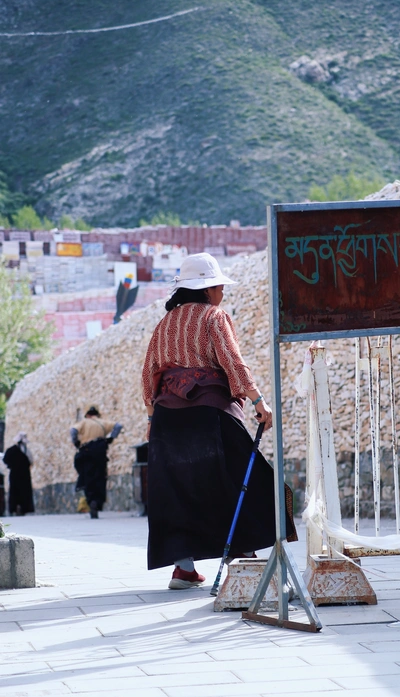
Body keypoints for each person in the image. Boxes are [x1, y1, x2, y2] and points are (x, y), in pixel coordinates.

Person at [141, 252, 296, 590]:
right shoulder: (214, 316)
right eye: (219, 286)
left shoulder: (164, 325)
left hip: (167, 418)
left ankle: (183, 569)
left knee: (179, 489)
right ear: (207, 289)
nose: (222, 291)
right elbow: (232, 361)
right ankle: (242, 557)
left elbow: (149, 373)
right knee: (240, 479)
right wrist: (258, 400)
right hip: (209, 412)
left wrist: (152, 419)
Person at [71, 406, 123, 519]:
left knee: (87, 477)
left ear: (87, 415)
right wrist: (111, 438)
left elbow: (73, 430)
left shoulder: (84, 422)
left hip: (87, 452)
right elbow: (118, 426)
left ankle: (91, 501)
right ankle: (97, 502)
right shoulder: (103, 422)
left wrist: (76, 442)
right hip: (100, 453)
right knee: (100, 478)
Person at [2, 432, 35, 516]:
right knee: (16, 491)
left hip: (21, 474)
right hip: (17, 474)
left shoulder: (23, 450)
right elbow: (30, 461)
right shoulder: (14, 450)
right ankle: (15, 508)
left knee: (22, 491)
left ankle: (23, 508)